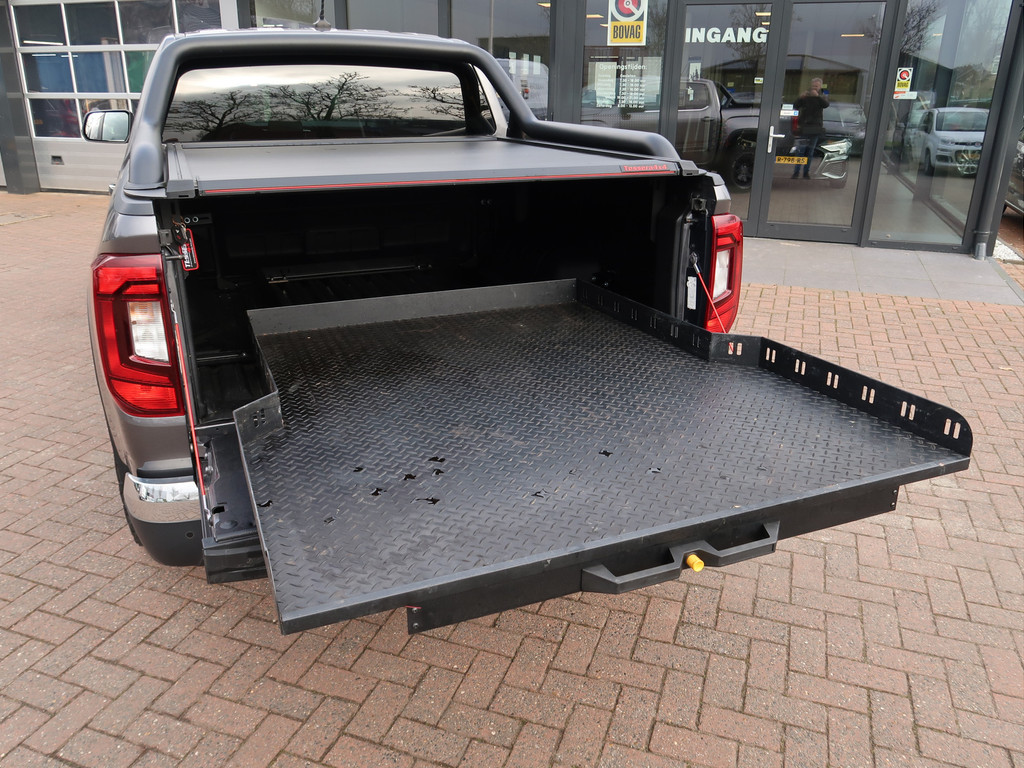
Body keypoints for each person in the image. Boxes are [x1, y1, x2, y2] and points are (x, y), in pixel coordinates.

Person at [791, 77, 829, 179]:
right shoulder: (806, 95)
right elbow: (795, 105)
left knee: (810, 152)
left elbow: (826, 105)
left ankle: (806, 173)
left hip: (815, 128)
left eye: (816, 86)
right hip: (804, 128)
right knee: (800, 151)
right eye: (813, 86)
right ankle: (796, 172)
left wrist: (818, 97)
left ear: (820, 86)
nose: (814, 88)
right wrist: (800, 98)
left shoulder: (823, 95)